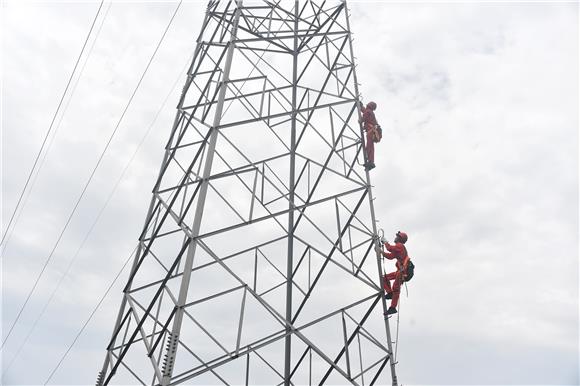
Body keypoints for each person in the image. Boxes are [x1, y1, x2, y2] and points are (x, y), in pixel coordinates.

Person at [377, 231, 410, 315]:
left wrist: (385, 242)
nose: (395, 237)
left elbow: (389, 248)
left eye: (397, 236)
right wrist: (380, 252)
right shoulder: (398, 248)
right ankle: (390, 293)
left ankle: (393, 308)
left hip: (402, 273)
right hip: (400, 272)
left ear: (400, 238)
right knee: (384, 278)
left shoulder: (400, 246)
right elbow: (390, 256)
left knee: (396, 289)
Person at [359, 101, 379, 171]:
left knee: (369, 146)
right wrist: (361, 107)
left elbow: (362, 119)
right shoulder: (370, 112)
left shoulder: (368, 112)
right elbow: (365, 111)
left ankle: (370, 162)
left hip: (370, 131)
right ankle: (370, 162)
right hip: (372, 131)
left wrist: (360, 120)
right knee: (370, 146)